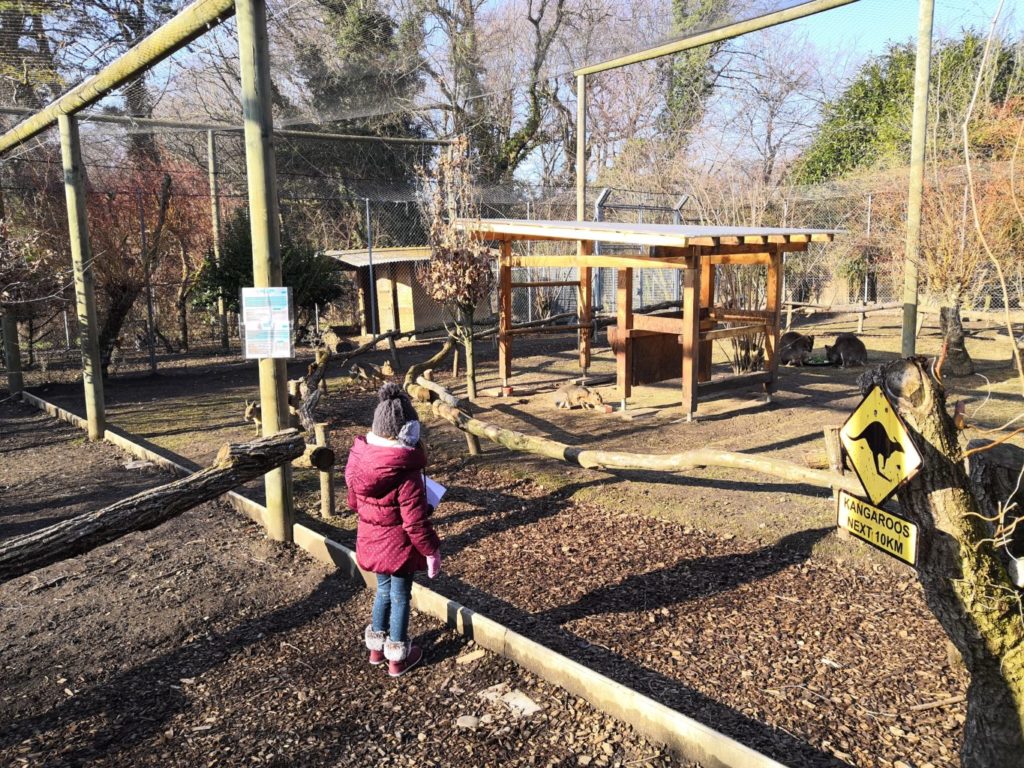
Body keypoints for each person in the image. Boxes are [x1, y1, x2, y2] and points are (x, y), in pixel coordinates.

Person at [345, 382, 441, 677]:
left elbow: (353, 503)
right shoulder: (406, 473)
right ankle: (397, 656)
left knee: (383, 591)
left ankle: (376, 648)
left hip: (371, 541)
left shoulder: (359, 460)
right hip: (398, 548)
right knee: (400, 596)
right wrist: (432, 550)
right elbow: (413, 522)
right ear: (409, 433)